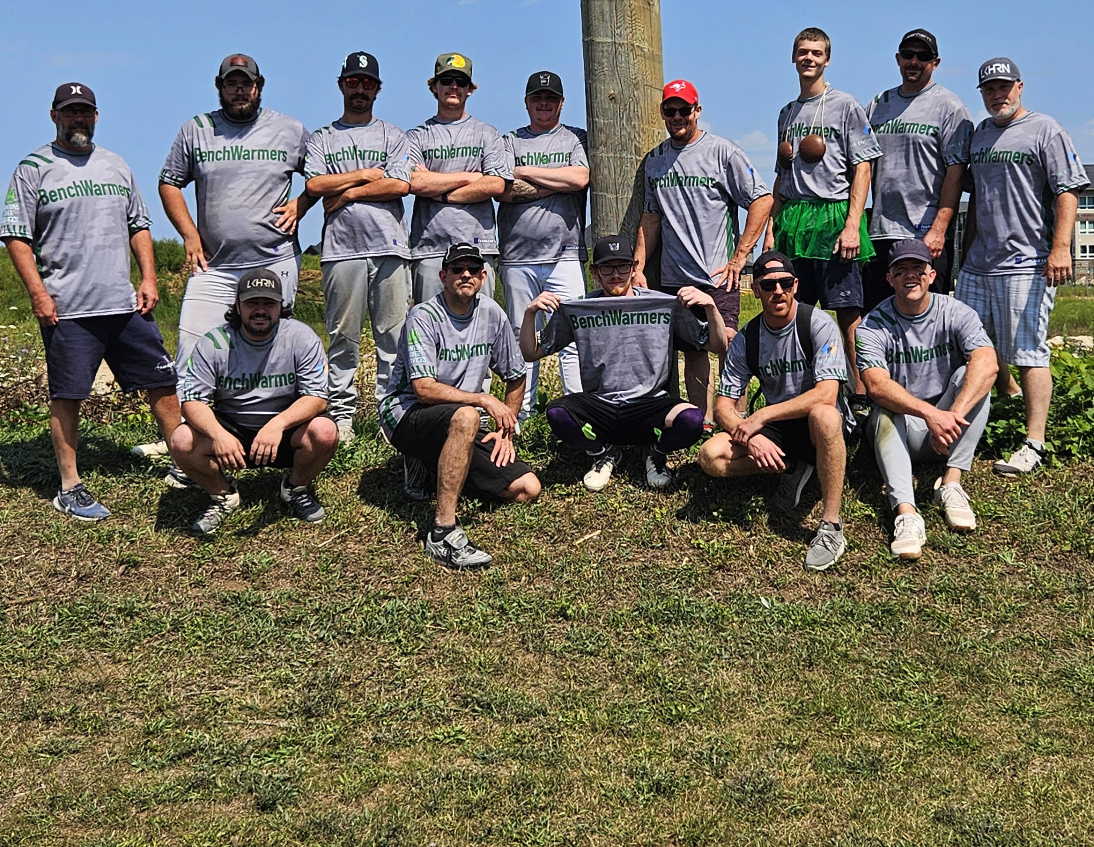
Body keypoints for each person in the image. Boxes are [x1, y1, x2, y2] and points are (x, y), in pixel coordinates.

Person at [1, 82, 181, 521]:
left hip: (123, 305)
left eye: (85, 112)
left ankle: (186, 464)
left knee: (163, 384)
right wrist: (39, 295)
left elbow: (138, 224)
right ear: (54, 115)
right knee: (69, 394)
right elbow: (16, 236)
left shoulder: (115, 164)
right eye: (70, 112)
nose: (78, 119)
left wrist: (149, 277)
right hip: (68, 310)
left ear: (96, 116)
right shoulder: (33, 168)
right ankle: (70, 485)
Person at [958, 57, 1089, 475]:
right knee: (974, 347)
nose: (998, 95)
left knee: (1029, 351)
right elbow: (975, 197)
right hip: (979, 262)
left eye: (1004, 87)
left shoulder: (1045, 129)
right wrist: (964, 254)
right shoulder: (979, 137)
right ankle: (994, 409)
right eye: (989, 89)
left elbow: (1068, 190)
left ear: (1020, 87)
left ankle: (1034, 441)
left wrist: (1061, 248)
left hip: (1027, 261)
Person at [378, 243, 541, 569]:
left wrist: (504, 431)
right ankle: (442, 534)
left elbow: (516, 374)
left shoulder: (493, 313)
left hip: (458, 419)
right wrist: (482, 399)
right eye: (457, 269)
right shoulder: (423, 317)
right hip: (406, 414)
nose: (465, 275)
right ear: (443, 276)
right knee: (467, 415)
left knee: (527, 487)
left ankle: (433, 465)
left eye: (473, 269)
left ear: (483, 276)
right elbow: (423, 389)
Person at [522, 234, 726, 491]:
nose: (616, 274)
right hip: (601, 406)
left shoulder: (662, 304)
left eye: (623, 266)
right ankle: (603, 453)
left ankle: (655, 453)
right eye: (607, 267)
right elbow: (531, 353)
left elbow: (717, 346)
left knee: (692, 420)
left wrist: (710, 307)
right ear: (595, 272)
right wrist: (530, 313)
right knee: (557, 414)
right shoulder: (581, 308)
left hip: (649, 406)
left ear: (634, 268)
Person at [158, 53, 313, 391]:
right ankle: (188, 435)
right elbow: (169, 182)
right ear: (219, 87)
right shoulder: (196, 129)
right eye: (232, 84)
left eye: (247, 84)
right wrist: (188, 234)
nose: (240, 91)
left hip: (274, 261)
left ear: (259, 87)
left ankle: (270, 428)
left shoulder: (290, 129)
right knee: (192, 346)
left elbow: (319, 178)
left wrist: (301, 205)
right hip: (214, 267)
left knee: (272, 350)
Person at [699, 250, 852, 571]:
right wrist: (752, 438)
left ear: (796, 285)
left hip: (821, 424)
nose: (778, 292)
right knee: (710, 457)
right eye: (768, 286)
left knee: (824, 414)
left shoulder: (817, 323)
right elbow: (723, 407)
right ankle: (792, 467)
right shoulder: (747, 338)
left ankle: (831, 524)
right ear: (754, 290)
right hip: (780, 427)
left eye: (785, 283)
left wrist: (762, 416)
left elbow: (827, 394)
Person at [635, 79, 772, 428]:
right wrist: (638, 266)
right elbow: (650, 217)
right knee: (692, 351)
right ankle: (702, 421)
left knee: (726, 344)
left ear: (697, 111)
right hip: (673, 276)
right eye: (670, 110)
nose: (677, 116)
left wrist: (742, 256)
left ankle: (735, 419)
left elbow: (762, 199)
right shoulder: (655, 161)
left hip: (717, 274)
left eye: (684, 109)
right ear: (663, 113)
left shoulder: (723, 153)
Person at [857, 239, 997, 559]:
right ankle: (907, 514)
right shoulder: (872, 326)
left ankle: (951, 483)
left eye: (918, 269)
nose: (911, 276)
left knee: (972, 377)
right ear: (889, 278)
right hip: (903, 430)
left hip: (947, 433)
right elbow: (875, 385)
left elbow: (988, 362)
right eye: (901, 269)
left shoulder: (955, 311)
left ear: (931, 275)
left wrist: (950, 416)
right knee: (882, 412)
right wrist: (929, 414)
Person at [170, 269, 337, 535]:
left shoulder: (301, 337)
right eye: (252, 303)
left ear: (281, 306)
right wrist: (217, 435)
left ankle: (295, 488)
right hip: (231, 428)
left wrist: (277, 425)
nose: (260, 310)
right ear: (237, 306)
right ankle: (223, 494)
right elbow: (191, 402)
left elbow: (317, 398)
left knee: (325, 432)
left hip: (283, 430)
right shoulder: (213, 342)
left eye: (269, 303)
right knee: (181, 440)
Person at [765, 27, 882, 404]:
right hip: (794, 217)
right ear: (793, 57)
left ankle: (863, 394)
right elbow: (782, 175)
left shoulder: (846, 105)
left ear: (827, 59)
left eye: (816, 53)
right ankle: (807, 392)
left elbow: (863, 166)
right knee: (798, 310)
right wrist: (771, 228)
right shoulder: (786, 112)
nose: (809, 58)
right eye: (803, 52)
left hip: (833, 217)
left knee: (848, 311)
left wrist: (852, 224)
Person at [304, 52, 412, 443]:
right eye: (353, 82)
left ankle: (390, 416)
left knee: (393, 338)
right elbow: (315, 186)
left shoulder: (393, 135)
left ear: (377, 89)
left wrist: (346, 191)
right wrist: (367, 175)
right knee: (342, 338)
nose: (360, 89)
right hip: (341, 251)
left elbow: (400, 184)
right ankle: (342, 418)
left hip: (390, 248)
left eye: (367, 83)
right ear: (341, 85)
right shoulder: (322, 138)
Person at [497, 71, 590, 418]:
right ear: (526, 103)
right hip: (516, 257)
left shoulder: (575, 138)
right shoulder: (509, 141)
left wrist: (525, 171)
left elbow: (580, 178)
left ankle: (578, 408)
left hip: (565, 254)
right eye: (537, 98)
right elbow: (504, 189)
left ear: (562, 104)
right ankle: (523, 413)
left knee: (572, 335)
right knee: (525, 336)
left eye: (551, 99)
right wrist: (559, 182)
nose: (544, 104)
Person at [863, 28, 972, 311]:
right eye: (909, 55)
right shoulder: (877, 105)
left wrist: (939, 228)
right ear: (898, 59)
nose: (915, 61)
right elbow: (859, 164)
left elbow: (956, 172)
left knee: (927, 317)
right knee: (879, 318)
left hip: (925, 234)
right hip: (882, 232)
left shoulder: (950, 107)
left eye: (923, 56)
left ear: (935, 63)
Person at [405, 53, 509, 306]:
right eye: (447, 80)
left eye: (461, 82)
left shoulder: (488, 134)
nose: (454, 86)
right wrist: (469, 177)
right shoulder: (416, 136)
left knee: (482, 331)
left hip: (478, 249)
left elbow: (495, 184)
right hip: (430, 250)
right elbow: (413, 183)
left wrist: (439, 190)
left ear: (470, 89)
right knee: (428, 327)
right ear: (434, 87)